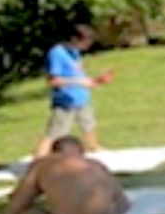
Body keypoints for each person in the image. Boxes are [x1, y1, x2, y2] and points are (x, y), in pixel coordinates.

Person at [35, 24, 112, 158]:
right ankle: (39, 159)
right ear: (75, 39)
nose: (87, 47)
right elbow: (53, 81)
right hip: (65, 100)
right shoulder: (57, 53)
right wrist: (79, 82)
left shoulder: (75, 53)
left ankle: (94, 147)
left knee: (89, 124)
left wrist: (95, 81)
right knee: (56, 132)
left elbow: (77, 74)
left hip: (81, 97)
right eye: (85, 42)